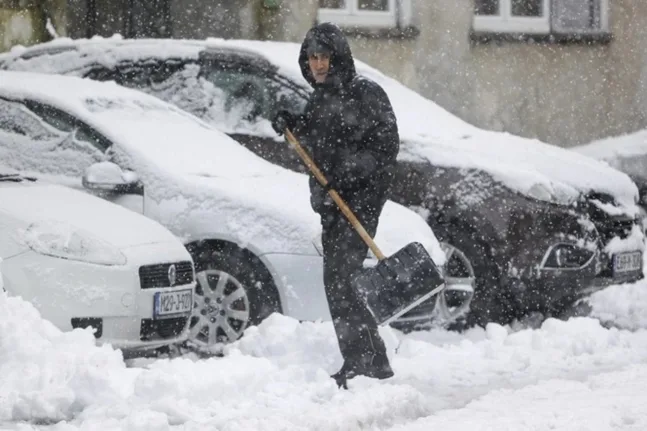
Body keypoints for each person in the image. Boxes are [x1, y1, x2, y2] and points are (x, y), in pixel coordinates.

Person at [271, 22, 400, 388]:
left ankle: (365, 362)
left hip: (360, 202)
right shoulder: (320, 99)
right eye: (312, 58)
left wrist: (347, 174)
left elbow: (386, 147)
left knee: (341, 280)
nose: (318, 64)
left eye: (324, 56)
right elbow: (311, 140)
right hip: (331, 205)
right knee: (340, 282)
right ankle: (370, 359)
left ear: (338, 56)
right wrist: (289, 121)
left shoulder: (366, 94)